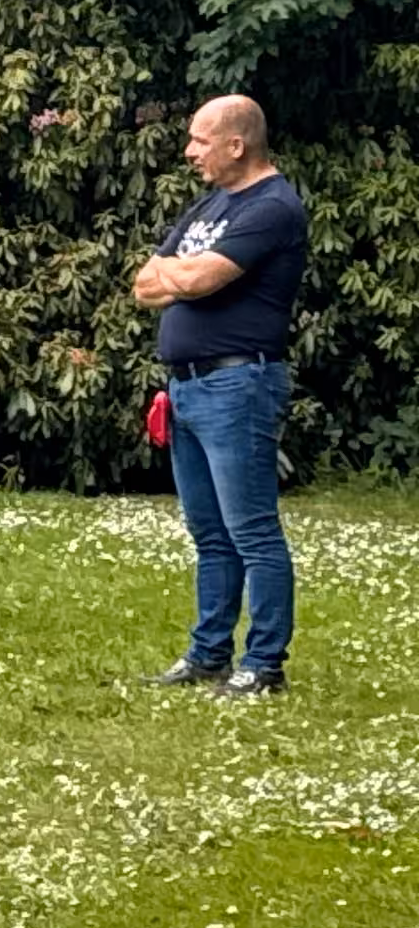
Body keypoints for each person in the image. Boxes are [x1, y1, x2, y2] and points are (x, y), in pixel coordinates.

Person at [133, 94, 308, 696]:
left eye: (200, 140)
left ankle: (263, 665)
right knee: (209, 533)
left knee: (252, 530)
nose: (189, 151)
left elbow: (200, 277)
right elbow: (143, 282)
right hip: (187, 388)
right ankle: (208, 654)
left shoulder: (273, 207)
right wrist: (184, 277)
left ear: (237, 144)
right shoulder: (212, 205)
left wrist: (183, 277)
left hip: (240, 384)